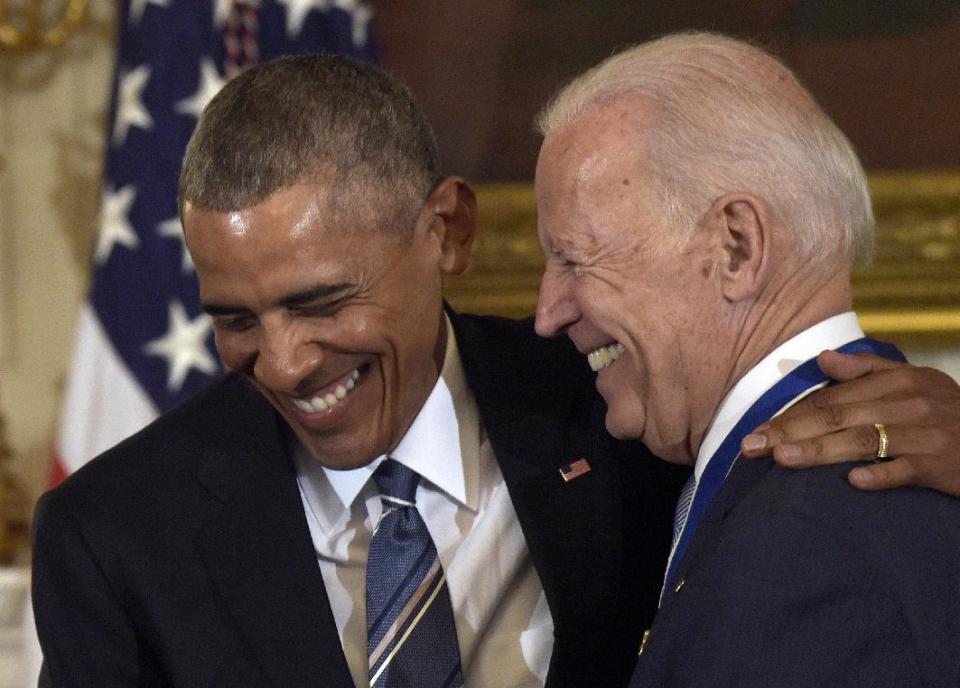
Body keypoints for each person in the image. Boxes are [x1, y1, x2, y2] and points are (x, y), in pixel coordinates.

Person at [32, 54, 960, 688]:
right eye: (235, 319)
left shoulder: (620, 407)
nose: (280, 362)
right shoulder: (115, 536)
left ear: (447, 231)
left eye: (320, 302)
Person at [532, 32, 960, 687]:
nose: (548, 311)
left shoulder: (806, 542)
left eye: (576, 259)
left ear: (737, 246)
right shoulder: (797, 495)